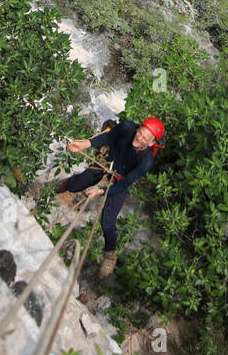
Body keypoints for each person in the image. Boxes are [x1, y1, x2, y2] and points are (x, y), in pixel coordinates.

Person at [56, 116, 164, 277]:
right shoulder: (128, 128)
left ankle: (110, 256)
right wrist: (84, 144)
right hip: (107, 163)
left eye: (144, 138)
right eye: (140, 132)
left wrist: (100, 191)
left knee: (107, 223)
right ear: (138, 128)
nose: (139, 137)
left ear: (150, 143)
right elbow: (109, 136)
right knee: (75, 186)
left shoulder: (146, 162)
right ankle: (70, 183)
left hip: (120, 179)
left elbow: (125, 183)